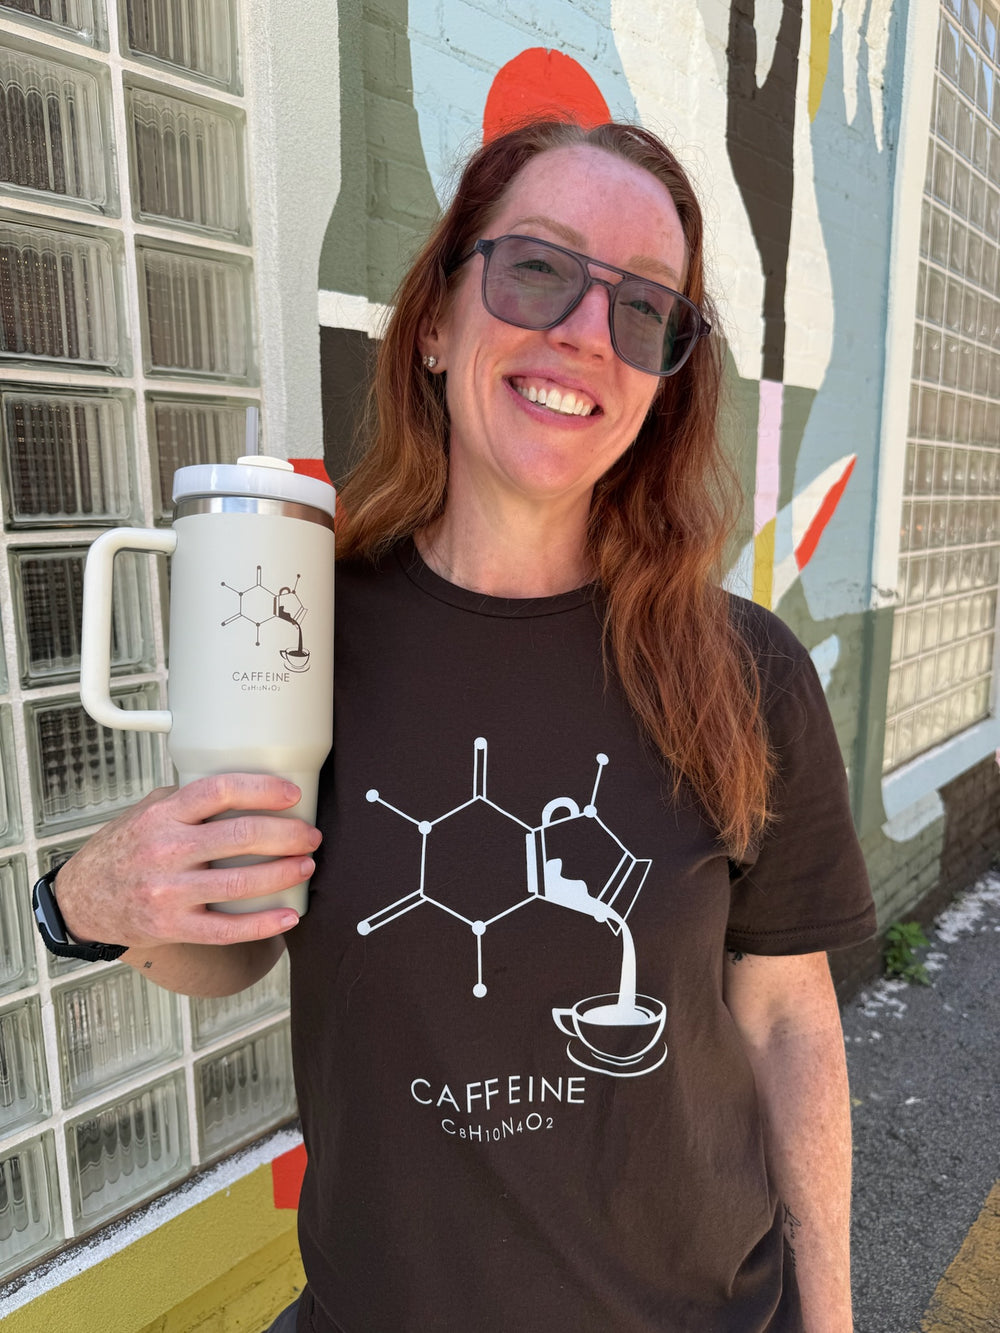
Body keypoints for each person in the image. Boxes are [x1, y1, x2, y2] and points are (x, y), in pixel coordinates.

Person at [46, 120, 875, 1332]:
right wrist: (99, 901)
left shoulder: (744, 669)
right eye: (537, 267)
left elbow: (789, 1013)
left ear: (663, 381)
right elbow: (227, 938)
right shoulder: (303, 627)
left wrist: (834, 1317)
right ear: (433, 324)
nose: (588, 332)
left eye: (647, 310)